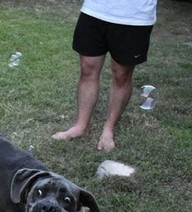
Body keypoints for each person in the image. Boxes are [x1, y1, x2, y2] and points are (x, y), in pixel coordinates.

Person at [52, 0, 157, 151]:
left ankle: (109, 129)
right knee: (87, 68)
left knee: (122, 75)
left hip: (134, 16)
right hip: (95, 9)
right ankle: (81, 126)